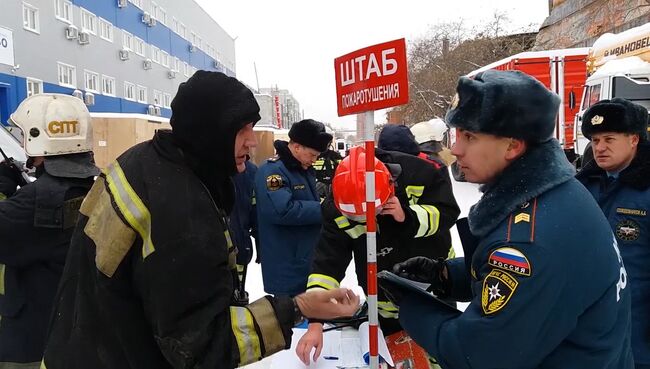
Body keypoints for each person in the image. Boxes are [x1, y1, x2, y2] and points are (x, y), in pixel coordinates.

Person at [41, 71, 360, 369]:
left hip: (77, 345)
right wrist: (298, 308)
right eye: (242, 129)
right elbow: (200, 345)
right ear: (212, 131)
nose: (252, 141)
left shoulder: (144, 161)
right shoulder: (182, 210)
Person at [389, 70, 633, 368]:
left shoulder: (530, 240)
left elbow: (476, 355)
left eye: (469, 136)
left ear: (512, 146)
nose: (455, 149)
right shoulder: (561, 194)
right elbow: (541, 288)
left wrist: (410, 306)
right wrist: (446, 276)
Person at [296, 145, 460, 366]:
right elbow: (326, 264)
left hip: (434, 291)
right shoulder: (336, 206)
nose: (365, 223)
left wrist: (408, 217)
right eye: (357, 218)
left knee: (440, 356)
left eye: (371, 214)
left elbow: (447, 212)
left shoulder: (420, 173)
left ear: (390, 189)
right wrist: (315, 321)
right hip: (384, 302)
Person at [0, 94, 98, 369]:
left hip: (29, 347)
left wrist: (3, 189)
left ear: (37, 140)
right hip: (74, 335)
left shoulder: (36, 202)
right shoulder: (93, 190)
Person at [576, 98, 650, 369]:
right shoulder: (581, 188)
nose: (600, 148)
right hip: (591, 330)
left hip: (639, 333)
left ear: (634, 139)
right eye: (595, 141)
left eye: (609, 138)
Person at [255, 119, 333, 296]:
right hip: (287, 261)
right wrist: (323, 208)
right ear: (297, 147)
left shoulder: (300, 169)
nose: (314, 161)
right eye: (312, 155)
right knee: (291, 316)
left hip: (304, 257)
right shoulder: (273, 172)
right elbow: (282, 211)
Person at [377, 124, 456, 261]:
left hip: (431, 250)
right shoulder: (435, 165)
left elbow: (445, 210)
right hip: (432, 249)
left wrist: (406, 215)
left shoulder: (431, 167)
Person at [229, 158, 258, 305]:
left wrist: (260, 243)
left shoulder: (251, 171)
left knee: (237, 297)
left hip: (241, 246)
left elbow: (256, 211)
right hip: (213, 251)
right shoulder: (207, 168)